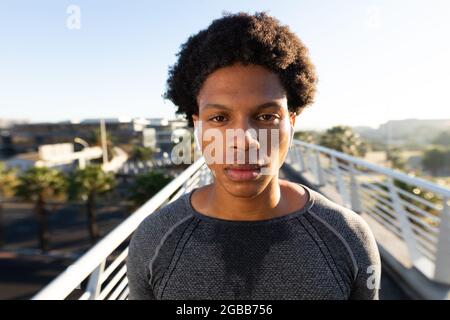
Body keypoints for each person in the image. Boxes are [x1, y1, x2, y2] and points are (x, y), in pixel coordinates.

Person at [127, 11, 381, 300]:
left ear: (292, 124)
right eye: (220, 118)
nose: (244, 140)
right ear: (197, 126)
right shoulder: (154, 239)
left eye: (266, 116)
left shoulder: (348, 237)